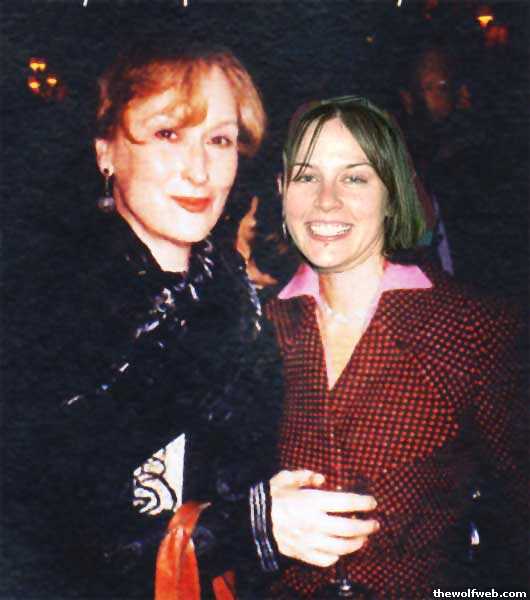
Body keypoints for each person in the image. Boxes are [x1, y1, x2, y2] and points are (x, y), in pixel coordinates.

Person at [6, 40, 288, 600]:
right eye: (168, 134)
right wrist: (252, 526)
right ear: (105, 152)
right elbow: (51, 543)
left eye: (219, 140)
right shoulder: (50, 311)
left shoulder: (232, 294)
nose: (200, 170)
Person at [264, 96, 526, 598]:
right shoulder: (254, 328)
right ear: (281, 191)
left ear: (393, 193)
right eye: (306, 176)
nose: (326, 200)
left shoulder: (473, 328)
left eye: (355, 178)